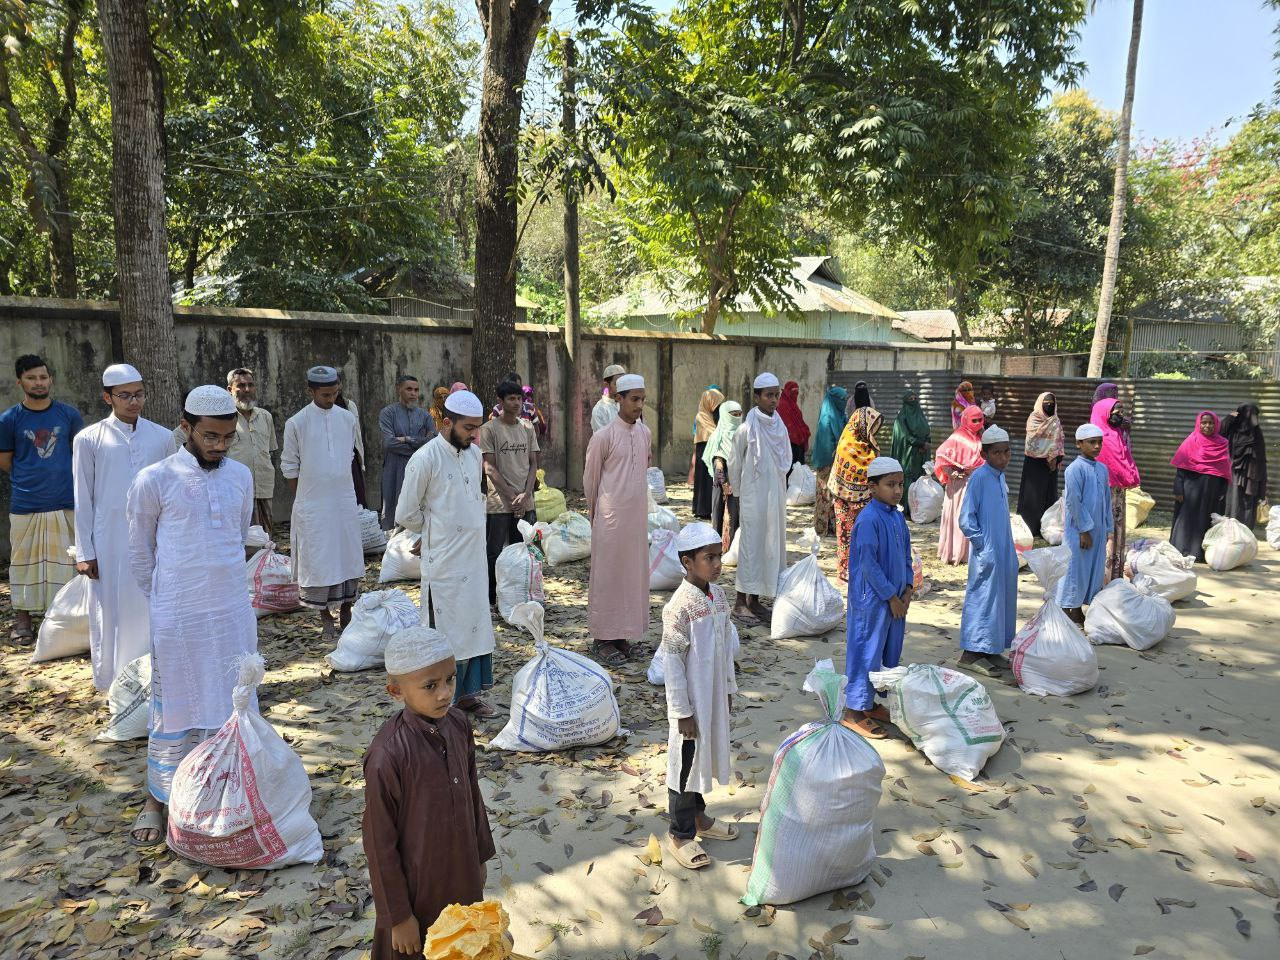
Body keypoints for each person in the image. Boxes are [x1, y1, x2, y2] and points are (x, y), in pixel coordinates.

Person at [125, 385, 257, 845]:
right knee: (175, 708)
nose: (219, 447)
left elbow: (237, 538)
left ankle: (229, 793)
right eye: (210, 438)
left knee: (232, 701)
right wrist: (167, 601)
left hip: (232, 614)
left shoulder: (240, 475)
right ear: (186, 428)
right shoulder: (154, 479)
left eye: (227, 438)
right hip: (178, 614)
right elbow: (141, 555)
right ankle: (157, 800)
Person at [363, 625, 494, 960]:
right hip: (416, 885)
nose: (444, 693)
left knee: (465, 943)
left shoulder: (459, 725)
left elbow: (472, 795)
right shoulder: (387, 755)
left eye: (450, 679)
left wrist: (479, 854)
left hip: (462, 866)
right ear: (396, 690)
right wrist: (398, 916)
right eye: (430, 685)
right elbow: (379, 842)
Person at [396, 389, 497, 717]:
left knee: (474, 626)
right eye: (468, 428)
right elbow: (406, 512)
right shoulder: (425, 458)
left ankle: (468, 697)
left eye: (477, 427)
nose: (474, 434)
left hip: (473, 558)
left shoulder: (473, 454)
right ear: (447, 422)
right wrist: (431, 532)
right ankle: (444, 704)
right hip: (444, 563)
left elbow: (473, 500)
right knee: (447, 633)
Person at [72, 363, 172, 691]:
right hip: (108, 540)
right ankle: (114, 683)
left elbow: (172, 489)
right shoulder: (89, 439)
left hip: (155, 538)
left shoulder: (162, 437)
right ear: (107, 397)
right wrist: (85, 552)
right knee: (110, 609)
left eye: (139, 394)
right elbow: (83, 497)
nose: (134, 401)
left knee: (153, 605)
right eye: (125, 395)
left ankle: (158, 677)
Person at [660, 521, 739, 870]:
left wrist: (728, 689)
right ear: (687, 562)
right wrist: (682, 711)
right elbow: (672, 665)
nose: (718, 564)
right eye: (709, 558)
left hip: (713, 697)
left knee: (702, 760)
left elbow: (724, 650)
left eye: (719, 556)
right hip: (691, 703)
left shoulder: (718, 597)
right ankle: (679, 832)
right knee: (685, 764)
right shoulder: (677, 609)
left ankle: (699, 816)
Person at [0, 354, 83, 641]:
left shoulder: (69, 415)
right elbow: (6, 460)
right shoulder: (9, 419)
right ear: (19, 382)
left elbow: (79, 457)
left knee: (70, 561)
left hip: (67, 501)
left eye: (43, 377)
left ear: (51, 379)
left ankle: (68, 621)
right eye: (32, 378)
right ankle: (23, 621)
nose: (39, 382)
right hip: (26, 504)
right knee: (23, 563)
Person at [281, 366, 366, 641]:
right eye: (325, 394)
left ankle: (346, 610)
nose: (331, 398)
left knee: (346, 554)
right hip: (313, 504)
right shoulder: (297, 423)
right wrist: (305, 498)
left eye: (334, 393)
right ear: (311, 391)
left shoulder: (347, 418)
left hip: (343, 500)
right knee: (319, 558)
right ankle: (325, 617)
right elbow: (290, 467)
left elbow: (352, 458)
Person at [842, 456, 913, 739]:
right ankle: (853, 711)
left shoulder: (896, 516)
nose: (897, 490)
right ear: (873, 487)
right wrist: (890, 597)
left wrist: (907, 589)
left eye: (900, 484)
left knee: (888, 651)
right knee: (866, 652)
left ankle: (870, 704)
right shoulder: (869, 519)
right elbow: (869, 565)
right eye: (890, 485)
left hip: (896, 599)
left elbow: (907, 555)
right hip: (872, 601)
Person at [583, 373, 651, 664]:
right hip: (610, 520)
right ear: (618, 398)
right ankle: (602, 639)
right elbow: (591, 480)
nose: (639, 405)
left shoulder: (645, 433)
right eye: (634, 399)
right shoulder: (603, 436)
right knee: (608, 577)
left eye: (642, 399)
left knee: (630, 576)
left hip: (635, 520)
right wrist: (597, 514)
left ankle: (622, 636)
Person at [728, 372, 789, 624]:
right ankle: (740, 602)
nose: (773, 400)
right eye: (768, 395)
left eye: (776, 395)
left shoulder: (780, 426)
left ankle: (756, 600)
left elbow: (785, 460)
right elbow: (735, 463)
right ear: (756, 397)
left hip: (775, 497)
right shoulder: (745, 429)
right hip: (753, 497)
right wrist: (740, 495)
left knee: (770, 546)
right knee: (751, 547)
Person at [957, 425, 1018, 677]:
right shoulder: (980, 478)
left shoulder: (999, 477)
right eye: (997, 453)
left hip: (1004, 549)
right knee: (983, 599)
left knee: (1002, 598)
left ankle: (991, 649)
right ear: (985, 454)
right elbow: (966, 519)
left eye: (1006, 452)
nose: (1003, 458)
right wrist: (983, 546)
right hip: (988, 552)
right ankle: (971, 654)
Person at [479, 380, 540, 605]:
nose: (516, 403)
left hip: (525, 501)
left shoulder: (527, 427)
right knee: (494, 552)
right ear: (501, 401)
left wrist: (525, 494)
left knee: (524, 550)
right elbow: (489, 467)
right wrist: (513, 496)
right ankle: (492, 597)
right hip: (499, 503)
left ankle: (519, 596)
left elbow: (533, 463)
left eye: (519, 399)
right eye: (511, 399)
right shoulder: (489, 429)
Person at [1057, 424, 1112, 625]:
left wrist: (1108, 528)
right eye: (1092, 442)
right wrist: (1083, 531)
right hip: (1079, 531)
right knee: (1074, 569)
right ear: (1079, 444)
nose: (1097, 446)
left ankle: (1078, 607)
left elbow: (1106, 500)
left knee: (1092, 570)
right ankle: (1065, 607)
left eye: (1099, 442)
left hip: (1097, 530)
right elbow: (1073, 502)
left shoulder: (1102, 469)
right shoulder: (1074, 469)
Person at [829, 406, 883, 583]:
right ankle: (845, 571)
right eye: (871, 427)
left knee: (865, 536)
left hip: (865, 501)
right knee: (845, 537)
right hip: (844, 501)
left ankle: (864, 569)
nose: (873, 432)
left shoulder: (868, 445)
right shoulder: (847, 444)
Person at [1170, 411, 1232, 562]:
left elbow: (1225, 471)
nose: (1207, 426)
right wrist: (1178, 488)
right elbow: (1180, 468)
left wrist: (1223, 490)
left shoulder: (1222, 443)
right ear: (1199, 424)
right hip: (1190, 489)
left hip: (1212, 490)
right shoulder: (1191, 441)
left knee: (1207, 520)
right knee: (1187, 519)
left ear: (1216, 424)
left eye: (1211, 423)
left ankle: (1202, 554)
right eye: (1204, 423)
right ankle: (1182, 550)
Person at [1090, 396, 1140, 582]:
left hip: (1118, 494)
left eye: (1121, 412)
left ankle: (1113, 578)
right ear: (1104, 413)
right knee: (1104, 535)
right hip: (1102, 495)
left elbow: (1125, 462)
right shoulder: (1097, 438)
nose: (1119, 415)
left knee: (1116, 533)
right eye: (1115, 412)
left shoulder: (1117, 434)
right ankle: (1100, 579)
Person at [378, 375, 437, 531]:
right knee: (393, 506)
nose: (413, 393)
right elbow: (389, 443)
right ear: (399, 389)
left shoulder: (425, 416)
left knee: (418, 505)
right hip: (395, 467)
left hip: (420, 466)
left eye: (416, 390)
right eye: (409, 389)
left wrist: (406, 439)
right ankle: (392, 548)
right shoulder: (387, 413)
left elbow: (433, 442)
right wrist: (419, 442)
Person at [225, 368, 279, 532]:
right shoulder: (224, 417)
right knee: (241, 538)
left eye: (250, 385)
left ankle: (265, 559)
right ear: (230, 390)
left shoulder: (265, 416)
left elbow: (269, 450)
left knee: (265, 538)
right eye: (241, 385)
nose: (247, 390)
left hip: (264, 487)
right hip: (236, 490)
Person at [934, 405, 986, 564]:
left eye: (980, 420)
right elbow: (942, 454)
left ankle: (970, 553)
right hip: (960, 486)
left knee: (974, 518)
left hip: (976, 483)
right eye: (974, 420)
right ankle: (956, 553)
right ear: (965, 420)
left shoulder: (980, 437)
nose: (977, 423)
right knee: (959, 518)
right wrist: (951, 473)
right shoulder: (957, 437)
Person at [1017, 391, 1064, 539]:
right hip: (1034, 464)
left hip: (1051, 465)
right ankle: (1031, 527)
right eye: (1046, 402)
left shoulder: (1056, 421)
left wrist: (1055, 457)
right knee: (1032, 496)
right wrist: (1047, 452)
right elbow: (1031, 441)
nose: (1049, 405)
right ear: (1040, 403)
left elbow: (1059, 441)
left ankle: (1047, 528)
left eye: (1052, 402)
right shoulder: (1033, 419)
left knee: (1048, 495)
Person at [810, 385, 848, 535]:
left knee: (835, 493)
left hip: (837, 460)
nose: (844, 402)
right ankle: (821, 528)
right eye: (841, 399)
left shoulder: (839, 415)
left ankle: (832, 525)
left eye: (845, 399)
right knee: (825, 494)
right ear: (834, 400)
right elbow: (827, 445)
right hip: (827, 461)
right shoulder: (828, 418)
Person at [704, 400, 742, 547]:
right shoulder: (718, 437)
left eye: (739, 415)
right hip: (724, 484)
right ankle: (721, 547)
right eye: (734, 415)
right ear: (725, 416)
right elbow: (718, 462)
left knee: (737, 516)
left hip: (740, 482)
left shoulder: (743, 434)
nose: (737, 418)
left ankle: (734, 548)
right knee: (723, 516)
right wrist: (725, 484)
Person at [1222, 402, 1266, 526]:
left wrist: (1262, 485)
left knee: (1248, 504)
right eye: (1251, 415)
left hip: (1251, 476)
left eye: (1255, 415)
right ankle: (1231, 530)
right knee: (1232, 502)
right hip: (1233, 473)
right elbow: (1218, 433)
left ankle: (1245, 533)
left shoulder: (1257, 433)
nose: (1254, 419)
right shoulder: (1232, 430)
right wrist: (1228, 418)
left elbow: (1262, 460)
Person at [889, 392, 930, 521]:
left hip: (920, 454)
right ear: (905, 402)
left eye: (915, 399)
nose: (913, 401)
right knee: (907, 480)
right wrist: (920, 443)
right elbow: (904, 437)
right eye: (910, 399)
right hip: (908, 454)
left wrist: (926, 442)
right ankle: (905, 509)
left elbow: (926, 430)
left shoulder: (920, 415)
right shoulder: (901, 418)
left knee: (919, 480)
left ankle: (916, 509)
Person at [691, 386, 725, 520]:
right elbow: (714, 432)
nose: (718, 407)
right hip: (704, 448)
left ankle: (708, 509)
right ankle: (702, 509)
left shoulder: (711, 415)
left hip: (710, 448)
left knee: (709, 480)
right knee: (703, 480)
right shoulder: (702, 416)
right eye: (716, 403)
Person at [334, 372, 367, 508]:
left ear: (340, 384)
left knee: (356, 496)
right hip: (330, 459)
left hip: (350, 458)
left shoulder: (349, 405)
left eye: (336, 382)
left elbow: (356, 434)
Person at [776, 380, 810, 472]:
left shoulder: (793, 405)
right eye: (793, 393)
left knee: (798, 472)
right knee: (790, 472)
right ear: (787, 392)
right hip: (788, 444)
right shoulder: (782, 405)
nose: (795, 395)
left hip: (797, 444)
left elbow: (799, 422)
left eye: (797, 393)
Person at [591, 363, 627, 434]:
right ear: (606, 385)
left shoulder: (627, 404)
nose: (622, 387)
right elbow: (604, 440)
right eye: (617, 384)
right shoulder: (599, 410)